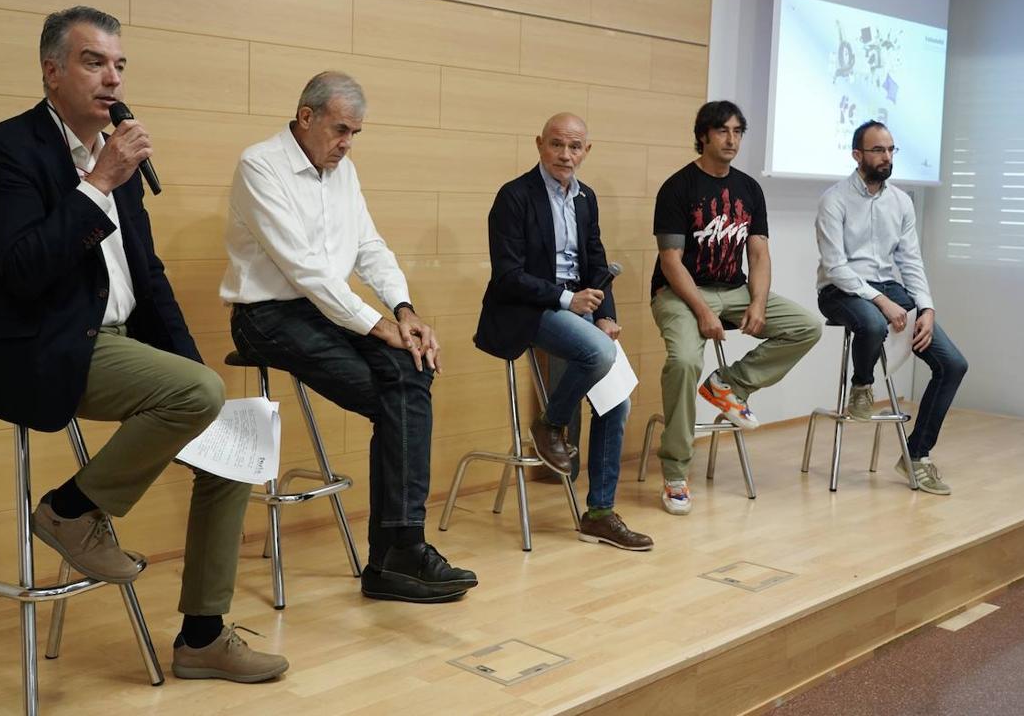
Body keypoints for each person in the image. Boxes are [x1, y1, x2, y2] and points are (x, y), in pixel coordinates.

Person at [0, 6, 287, 683]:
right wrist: (98, 182)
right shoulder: (4, 150)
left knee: (232, 442)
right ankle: (70, 510)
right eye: (93, 62)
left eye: (120, 65)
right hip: (36, 346)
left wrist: (194, 373)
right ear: (51, 72)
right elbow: (20, 267)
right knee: (198, 394)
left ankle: (202, 636)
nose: (112, 78)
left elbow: (149, 276)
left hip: (119, 345)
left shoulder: (113, 152)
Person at [221, 71, 477, 603]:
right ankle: (395, 556)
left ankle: (398, 553)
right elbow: (305, 270)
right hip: (266, 316)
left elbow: (370, 247)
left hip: (324, 311)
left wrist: (404, 311)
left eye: (355, 133)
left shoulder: (344, 171)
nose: (347, 143)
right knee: (399, 394)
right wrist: (378, 325)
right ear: (306, 115)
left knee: (411, 370)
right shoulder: (259, 166)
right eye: (340, 129)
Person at [475, 113, 653, 551]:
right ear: (539, 145)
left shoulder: (586, 198)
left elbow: (597, 261)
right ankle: (551, 424)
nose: (565, 155)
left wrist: (605, 314)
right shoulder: (514, 197)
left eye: (575, 147)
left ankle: (599, 514)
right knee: (599, 355)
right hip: (529, 309)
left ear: (586, 151)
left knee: (618, 402)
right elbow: (507, 276)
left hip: (579, 308)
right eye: (557, 145)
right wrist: (565, 300)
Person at [650, 101, 821, 515]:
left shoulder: (748, 189)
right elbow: (671, 261)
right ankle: (675, 471)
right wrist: (704, 313)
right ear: (704, 135)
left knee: (806, 326)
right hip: (680, 292)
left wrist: (759, 301)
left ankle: (730, 384)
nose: (732, 139)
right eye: (723, 131)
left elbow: (759, 253)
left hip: (734, 290)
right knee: (686, 361)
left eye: (738, 131)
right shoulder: (678, 187)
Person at [815, 120, 967, 495]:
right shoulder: (833, 199)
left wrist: (926, 308)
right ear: (857, 155)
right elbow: (835, 266)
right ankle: (862, 385)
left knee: (952, 364)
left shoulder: (900, 202)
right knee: (872, 323)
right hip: (839, 290)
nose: (886, 157)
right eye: (878, 150)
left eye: (890, 150)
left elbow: (911, 261)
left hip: (889, 288)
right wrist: (881, 301)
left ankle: (916, 455)